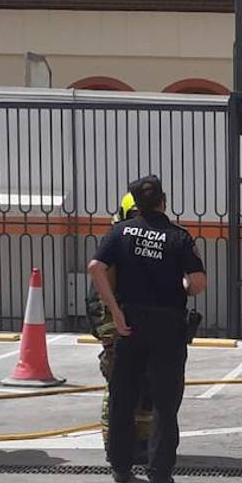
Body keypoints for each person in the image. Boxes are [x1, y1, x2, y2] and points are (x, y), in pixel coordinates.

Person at [88, 175, 207, 483]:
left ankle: (121, 466)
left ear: (134, 204)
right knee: (165, 403)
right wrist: (181, 285)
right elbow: (197, 282)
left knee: (123, 396)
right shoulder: (178, 237)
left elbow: (95, 269)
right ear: (163, 201)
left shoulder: (119, 232)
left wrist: (114, 310)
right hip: (167, 327)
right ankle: (159, 475)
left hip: (130, 323)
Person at [87, 191, 153, 464]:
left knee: (145, 386)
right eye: (134, 217)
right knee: (119, 388)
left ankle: (142, 441)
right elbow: (97, 297)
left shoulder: (146, 245)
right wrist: (109, 335)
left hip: (140, 328)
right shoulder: (114, 247)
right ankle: (114, 443)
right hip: (116, 328)